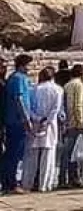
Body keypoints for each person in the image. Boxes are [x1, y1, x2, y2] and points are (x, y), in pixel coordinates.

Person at [23, 66, 62, 192]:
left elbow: (29, 108)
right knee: (48, 157)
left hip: (35, 124)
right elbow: (56, 109)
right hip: (50, 125)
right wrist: (47, 121)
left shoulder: (34, 89)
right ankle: (44, 185)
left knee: (31, 157)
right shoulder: (58, 90)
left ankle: (27, 183)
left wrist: (37, 119)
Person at [1, 53, 32, 194]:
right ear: (22, 65)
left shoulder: (17, 78)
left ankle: (9, 181)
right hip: (16, 121)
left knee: (13, 152)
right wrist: (26, 119)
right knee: (13, 153)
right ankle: (10, 183)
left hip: (15, 120)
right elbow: (19, 100)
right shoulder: (18, 79)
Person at [60, 63, 83, 189]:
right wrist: (80, 122)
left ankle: (63, 177)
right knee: (76, 153)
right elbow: (77, 105)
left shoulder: (67, 85)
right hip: (75, 122)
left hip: (68, 122)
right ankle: (74, 177)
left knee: (67, 152)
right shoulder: (79, 85)